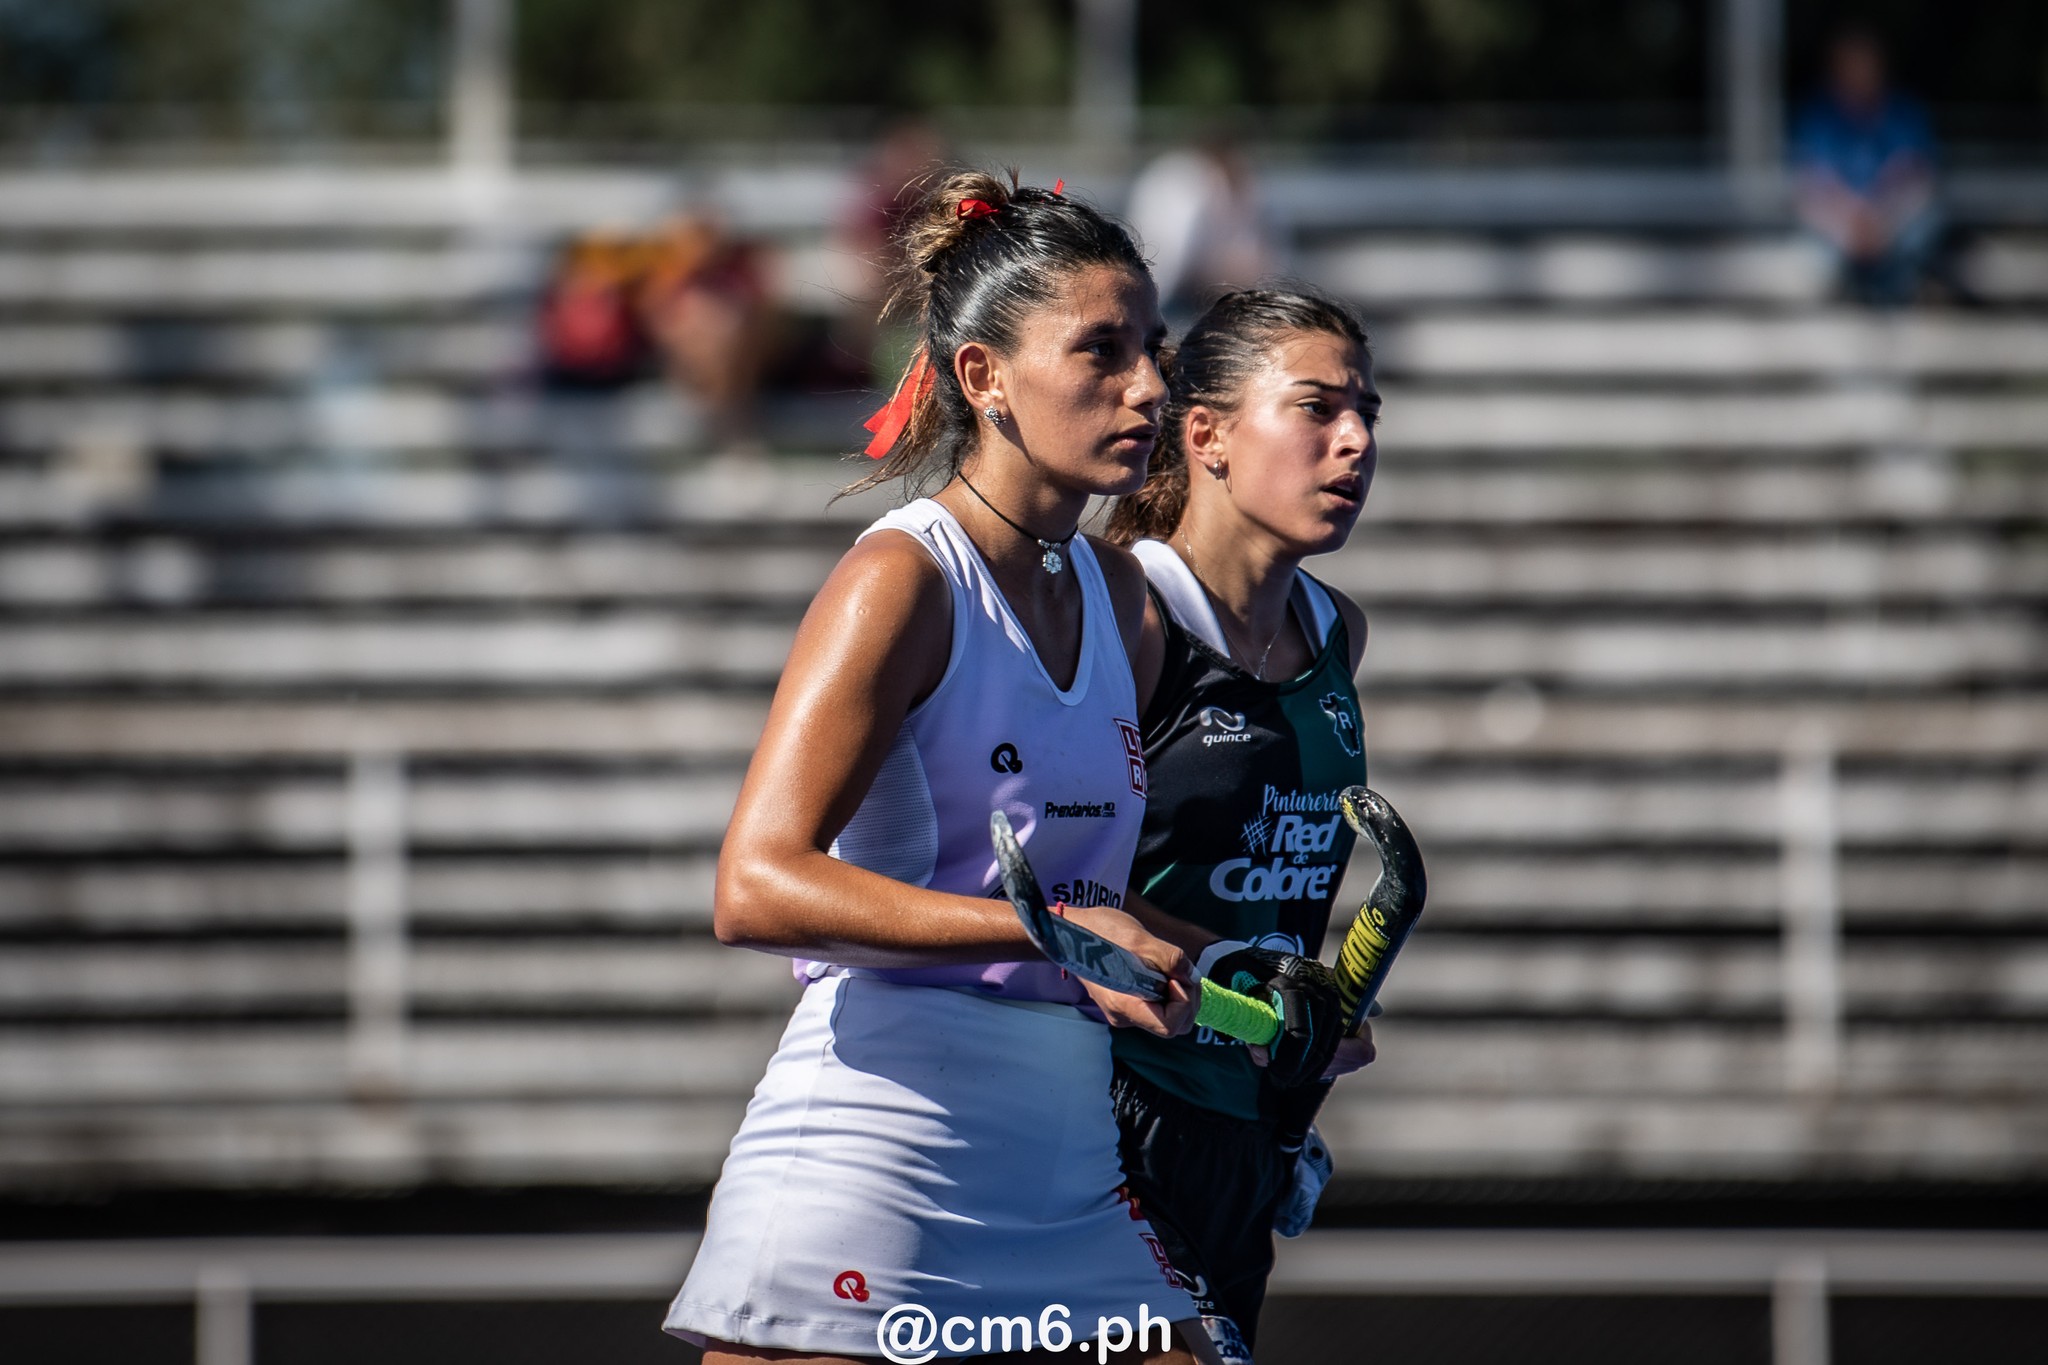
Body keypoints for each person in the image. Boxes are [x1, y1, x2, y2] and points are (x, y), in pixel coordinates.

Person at [663, 170, 1225, 1365]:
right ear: (982, 378)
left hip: (1064, 1159)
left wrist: (1237, 969)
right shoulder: (902, 581)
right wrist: (1061, 932)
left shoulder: (1118, 594)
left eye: (1155, 350)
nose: (1148, 387)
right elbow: (754, 887)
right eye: (1102, 352)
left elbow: (1095, 913)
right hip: (873, 1166)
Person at [1103, 288, 1382, 1364]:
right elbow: (1037, 883)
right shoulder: (1124, 611)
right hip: (1115, 1103)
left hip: (1248, 1122)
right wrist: (1238, 974)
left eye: (1365, 412)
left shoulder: (1335, 630)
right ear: (1205, 433)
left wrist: (1307, 1010)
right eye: (1314, 408)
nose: (1352, 439)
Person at [1791, 26, 1944, 307]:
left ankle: (1899, 295)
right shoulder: (1818, 117)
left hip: (1893, 225)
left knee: (1922, 227)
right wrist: (1854, 222)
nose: (1858, 73)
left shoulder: (1904, 112)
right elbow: (1813, 185)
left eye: (1864, 64)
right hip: (1841, 229)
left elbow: (1917, 177)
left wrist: (1881, 220)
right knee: (1812, 249)